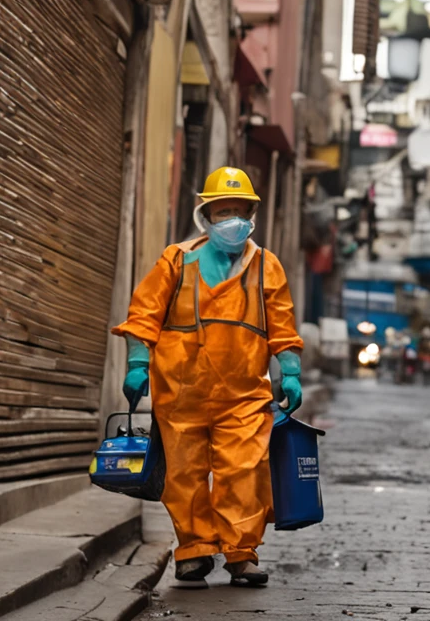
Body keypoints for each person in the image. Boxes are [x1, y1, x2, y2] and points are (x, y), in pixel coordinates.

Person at [111, 166, 304, 587]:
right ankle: (194, 551)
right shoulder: (177, 260)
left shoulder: (265, 266)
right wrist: (138, 362)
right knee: (185, 475)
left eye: (238, 210)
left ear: (251, 214)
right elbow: (144, 313)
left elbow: (283, 326)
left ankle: (240, 553)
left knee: (245, 472)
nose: (231, 219)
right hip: (181, 392)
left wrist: (290, 371)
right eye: (223, 211)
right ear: (207, 215)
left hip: (244, 393)